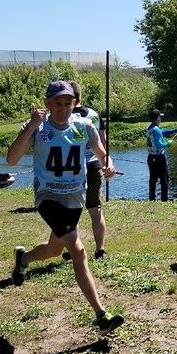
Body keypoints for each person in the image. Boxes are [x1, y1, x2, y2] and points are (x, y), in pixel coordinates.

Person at [6, 80, 123, 333]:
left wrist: (109, 165)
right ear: (47, 105)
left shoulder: (84, 126)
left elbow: (102, 153)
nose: (62, 108)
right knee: (78, 250)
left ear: (74, 104)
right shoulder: (38, 128)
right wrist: (31, 127)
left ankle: (23, 259)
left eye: (67, 103)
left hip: (75, 197)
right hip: (48, 196)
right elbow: (12, 160)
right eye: (56, 103)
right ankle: (101, 316)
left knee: (54, 250)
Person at [69, 80, 107, 258]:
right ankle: (100, 250)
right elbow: (103, 141)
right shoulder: (95, 115)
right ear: (80, 95)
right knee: (95, 208)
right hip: (94, 164)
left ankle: (72, 247)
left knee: (71, 210)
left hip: (72, 168)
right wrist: (105, 162)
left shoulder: (65, 116)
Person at [146, 110, 177, 201]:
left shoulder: (150, 128)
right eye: (160, 117)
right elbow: (159, 144)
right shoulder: (156, 129)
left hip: (151, 157)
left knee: (153, 179)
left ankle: (152, 199)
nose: (161, 119)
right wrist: (168, 143)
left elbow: (162, 132)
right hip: (159, 158)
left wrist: (175, 130)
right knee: (164, 179)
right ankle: (164, 200)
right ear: (157, 118)